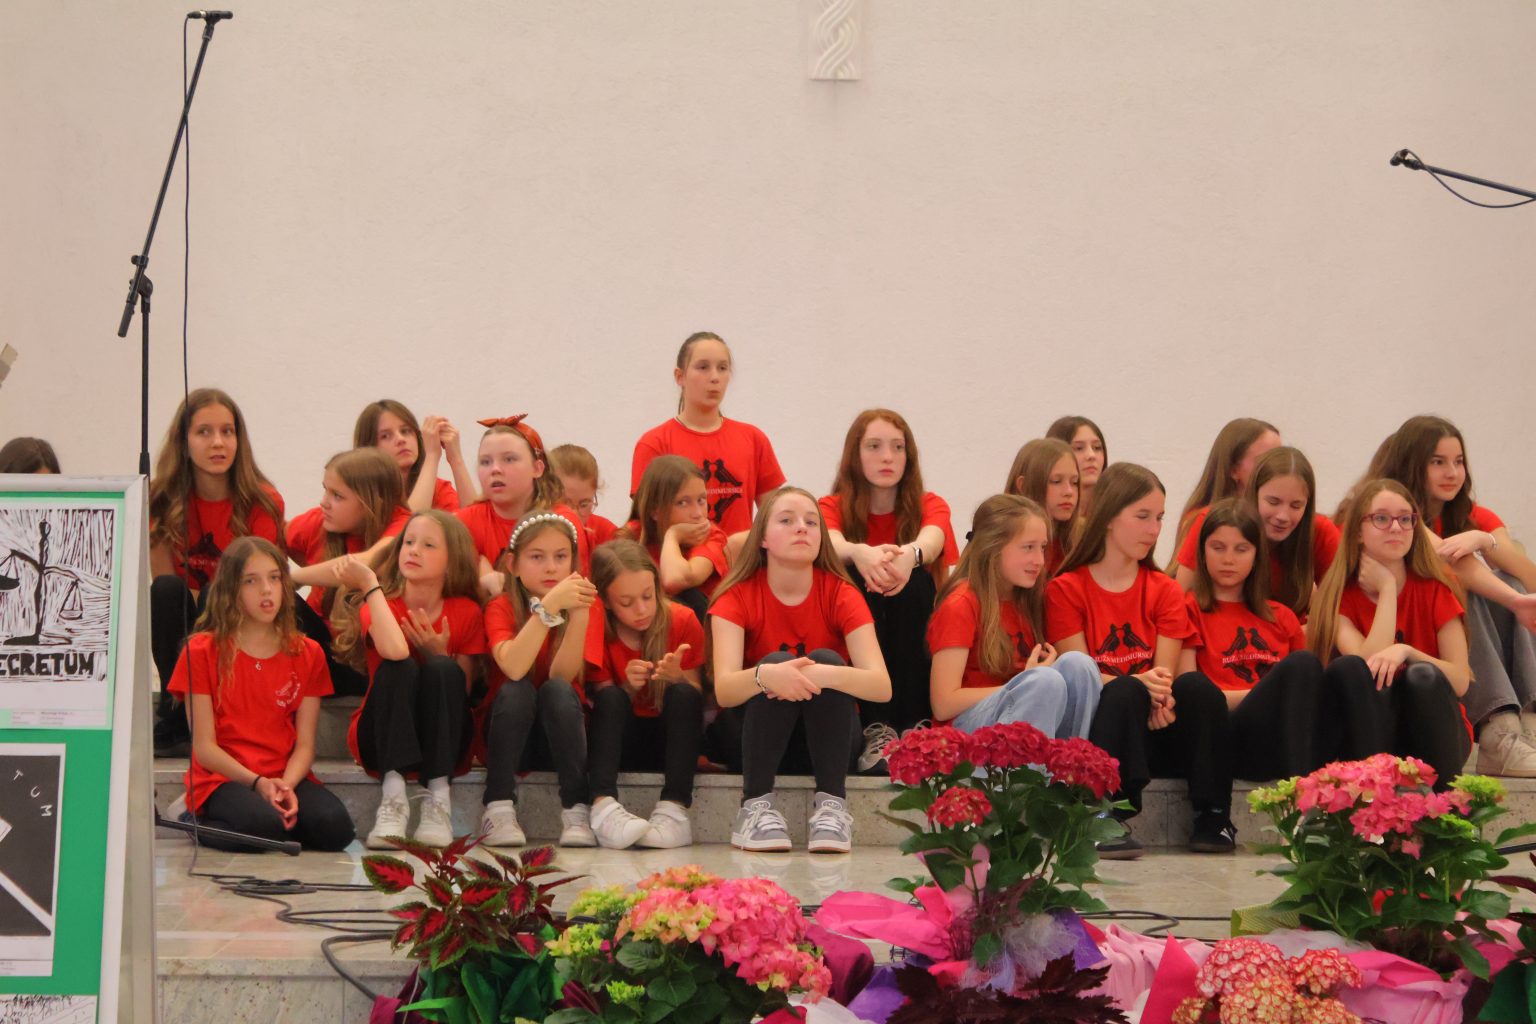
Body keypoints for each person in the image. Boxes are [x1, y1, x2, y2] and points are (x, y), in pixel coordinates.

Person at [1046, 463, 1234, 858]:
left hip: (1155, 721)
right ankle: (1107, 814)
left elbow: (1163, 675)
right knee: (1124, 689)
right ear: (1108, 517)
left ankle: (1214, 815)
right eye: (1143, 516)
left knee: (1197, 687)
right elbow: (1083, 676)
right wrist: (1139, 684)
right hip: (1105, 730)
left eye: (1160, 518)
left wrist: (1157, 694)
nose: (1154, 529)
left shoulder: (1165, 590)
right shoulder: (1066, 589)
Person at [710, 486, 891, 854]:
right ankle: (754, 807)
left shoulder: (840, 592)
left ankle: (832, 808)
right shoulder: (736, 595)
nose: (801, 528)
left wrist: (822, 674)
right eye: (787, 520)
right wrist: (765, 676)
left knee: (827, 659)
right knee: (774, 664)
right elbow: (724, 690)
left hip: (826, 743)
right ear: (762, 538)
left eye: (811, 522)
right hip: (756, 741)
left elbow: (881, 686)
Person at [166, 537, 354, 852]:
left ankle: (272, 819)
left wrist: (286, 786)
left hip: (282, 775)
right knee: (262, 827)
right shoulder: (201, 651)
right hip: (222, 777)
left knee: (336, 829)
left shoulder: (308, 652)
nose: (266, 590)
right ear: (231, 590)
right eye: (251, 581)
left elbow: (305, 745)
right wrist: (257, 783)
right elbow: (204, 748)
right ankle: (189, 815)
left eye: (274, 578)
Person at [336, 511, 487, 848]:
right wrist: (371, 584)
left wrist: (438, 654)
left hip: (442, 739)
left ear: (452, 562)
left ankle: (438, 799)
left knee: (444, 669)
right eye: (408, 542)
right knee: (398, 666)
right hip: (381, 734)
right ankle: (393, 800)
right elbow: (394, 650)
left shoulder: (466, 611)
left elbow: (460, 693)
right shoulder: (378, 603)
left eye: (428, 545)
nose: (414, 551)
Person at [1308, 479, 1473, 786]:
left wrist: (1407, 652)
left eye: (1405, 519)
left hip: (1434, 732)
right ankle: (1372, 798)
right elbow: (1364, 671)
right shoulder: (1338, 596)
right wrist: (1386, 589)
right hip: (1370, 732)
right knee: (1349, 667)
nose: (1396, 528)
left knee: (1422, 676)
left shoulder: (1436, 588)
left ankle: (1450, 809)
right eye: (1381, 518)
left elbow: (1460, 680)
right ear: (1358, 531)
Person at [148, 389, 285, 754]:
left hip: (242, 621)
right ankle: (176, 710)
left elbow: (258, 586)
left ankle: (218, 708)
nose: (218, 443)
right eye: (204, 432)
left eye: (227, 431)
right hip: (187, 622)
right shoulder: (160, 500)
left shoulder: (263, 500)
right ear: (184, 441)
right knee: (165, 591)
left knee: (218, 590)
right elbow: (166, 582)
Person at [822, 409, 957, 765]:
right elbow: (829, 540)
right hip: (860, 625)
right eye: (874, 446)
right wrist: (859, 553)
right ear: (855, 454)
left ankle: (915, 725)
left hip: (914, 627)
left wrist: (909, 556)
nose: (887, 457)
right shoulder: (831, 506)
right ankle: (876, 727)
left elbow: (933, 539)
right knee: (857, 578)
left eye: (898, 447)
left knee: (914, 579)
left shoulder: (930, 503)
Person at [480, 512, 605, 848]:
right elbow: (514, 667)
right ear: (513, 564)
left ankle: (575, 809)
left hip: (560, 739)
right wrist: (547, 609)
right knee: (517, 690)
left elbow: (561, 677)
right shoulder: (500, 606)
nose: (551, 568)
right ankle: (498, 806)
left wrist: (578, 617)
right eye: (537, 557)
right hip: (507, 738)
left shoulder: (588, 605)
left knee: (557, 691)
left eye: (561, 557)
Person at [929, 494, 1101, 738]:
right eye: (1028, 547)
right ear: (993, 548)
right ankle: (1026, 764)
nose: (1039, 560)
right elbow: (943, 704)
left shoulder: (1029, 599)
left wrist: (1029, 682)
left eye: (1043, 547)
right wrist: (1024, 683)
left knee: (1079, 665)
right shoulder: (961, 604)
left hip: (1020, 714)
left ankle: (1071, 758)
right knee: (1043, 681)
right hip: (964, 731)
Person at [586, 539, 707, 849]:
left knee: (684, 694)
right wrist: (628, 688)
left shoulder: (682, 619)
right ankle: (602, 806)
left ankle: (675, 808)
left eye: (648, 596)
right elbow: (604, 706)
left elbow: (698, 699)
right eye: (627, 602)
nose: (641, 610)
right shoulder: (598, 626)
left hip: (669, 740)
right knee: (611, 697)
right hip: (623, 742)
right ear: (606, 601)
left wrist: (677, 677)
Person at [630, 332, 785, 537]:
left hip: (738, 557)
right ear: (680, 376)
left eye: (722, 368)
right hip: (677, 557)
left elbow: (774, 518)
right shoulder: (654, 443)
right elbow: (644, 525)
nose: (714, 378)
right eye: (703, 367)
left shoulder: (754, 439)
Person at [286, 448, 411, 696]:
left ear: (371, 502)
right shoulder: (320, 521)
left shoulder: (403, 525)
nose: (324, 502)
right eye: (325, 490)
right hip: (321, 647)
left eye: (337, 496)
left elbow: (365, 563)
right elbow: (270, 543)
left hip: (366, 660)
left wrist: (294, 577)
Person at [456, 415, 589, 596]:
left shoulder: (561, 521)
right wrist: (480, 585)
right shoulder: (464, 523)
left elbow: (576, 593)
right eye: (485, 462)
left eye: (509, 459)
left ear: (537, 468)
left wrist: (501, 586)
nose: (495, 469)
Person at [1167, 418, 1281, 572]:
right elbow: (1183, 585)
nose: (1277, 470)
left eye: (1280, 460)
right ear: (1233, 469)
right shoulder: (1202, 519)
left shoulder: (1283, 520)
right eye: (1264, 461)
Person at [353, 399, 474, 513]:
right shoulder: (361, 498)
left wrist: (456, 459)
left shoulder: (437, 489)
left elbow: (476, 521)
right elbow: (408, 526)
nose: (400, 439)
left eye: (405, 431)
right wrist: (431, 456)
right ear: (368, 448)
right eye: (386, 436)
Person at [549, 443, 620, 548]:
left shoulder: (606, 534)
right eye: (564, 504)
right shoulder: (529, 531)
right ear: (545, 494)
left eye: (584, 505)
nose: (574, 515)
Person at [1045, 416, 1107, 516]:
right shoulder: (1038, 519)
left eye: (1097, 447)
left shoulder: (1114, 511)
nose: (1091, 455)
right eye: (1079, 448)